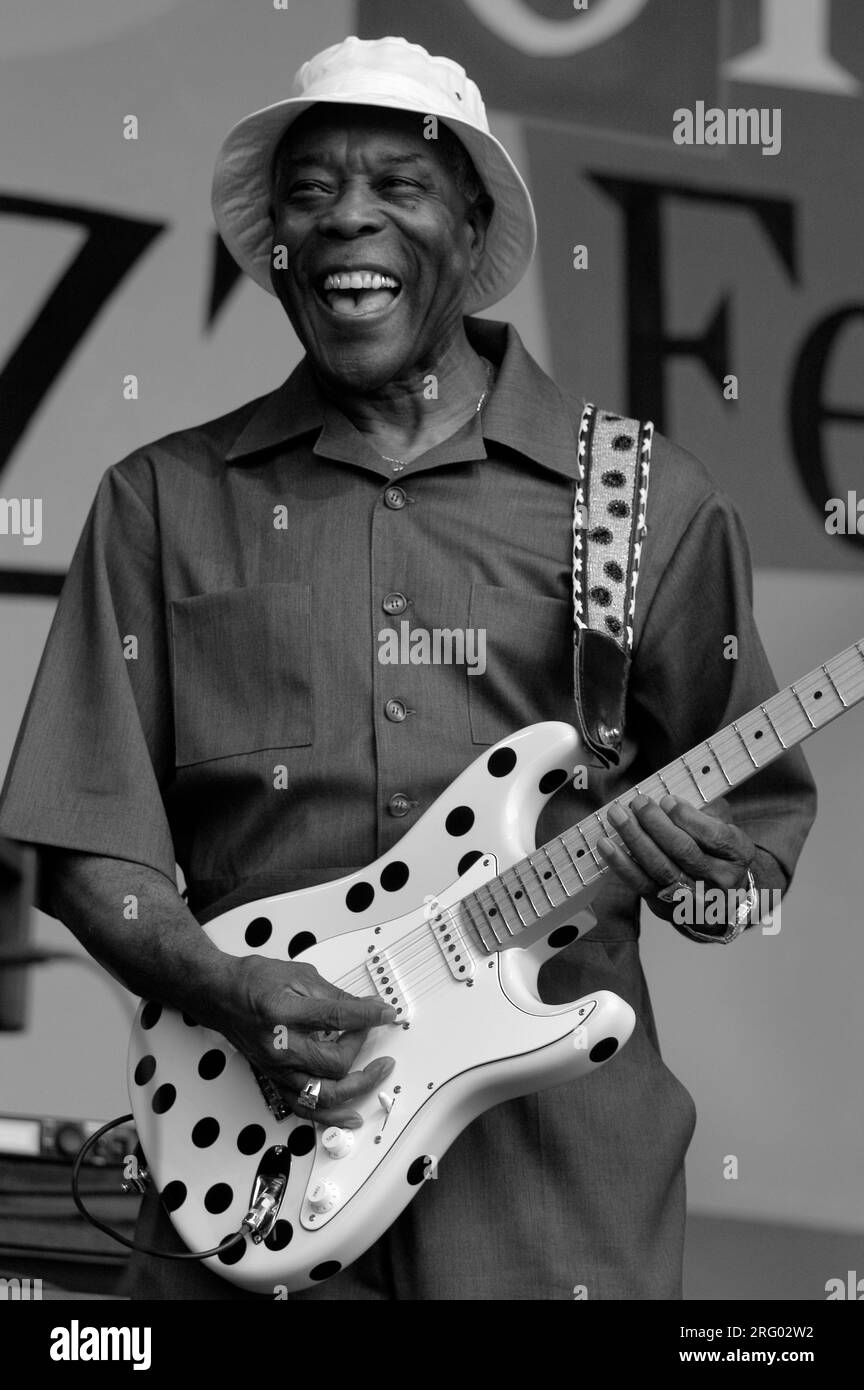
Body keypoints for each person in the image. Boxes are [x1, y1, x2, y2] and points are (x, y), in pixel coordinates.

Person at [0, 35, 815, 1301]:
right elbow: (77, 840)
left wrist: (708, 889)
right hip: (251, 1173)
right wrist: (226, 990)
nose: (347, 222)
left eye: (399, 184)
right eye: (311, 191)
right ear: (274, 244)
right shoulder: (162, 500)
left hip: (555, 1211)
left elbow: (749, 868)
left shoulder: (645, 502)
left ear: (472, 223)